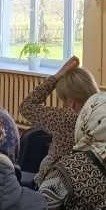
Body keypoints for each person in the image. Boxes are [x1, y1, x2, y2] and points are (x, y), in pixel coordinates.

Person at [19, 55, 98, 185]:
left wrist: (57, 76)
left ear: (72, 101)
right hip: (90, 184)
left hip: (54, 186)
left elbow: (26, 107)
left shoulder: (66, 118)